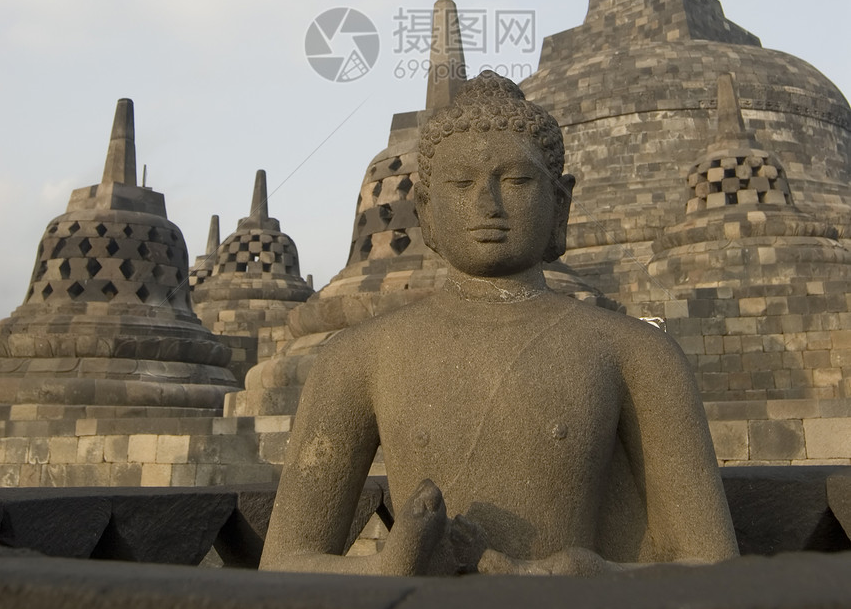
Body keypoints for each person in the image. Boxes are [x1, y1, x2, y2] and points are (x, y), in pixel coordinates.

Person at [260, 72, 738, 575]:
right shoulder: (356, 358)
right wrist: (386, 567)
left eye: (516, 180)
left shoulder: (636, 354)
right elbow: (284, 563)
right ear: (426, 211)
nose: (488, 204)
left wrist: (580, 573)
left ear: (560, 204)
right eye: (461, 183)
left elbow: (715, 566)